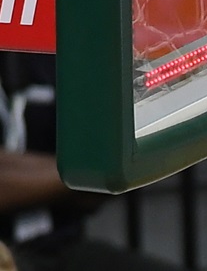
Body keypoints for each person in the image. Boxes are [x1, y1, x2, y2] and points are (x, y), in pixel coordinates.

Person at [0, 51, 185, 271]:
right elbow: (102, 170)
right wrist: (89, 174)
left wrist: (94, 173)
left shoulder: (49, 53)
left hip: (58, 246)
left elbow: (98, 184)